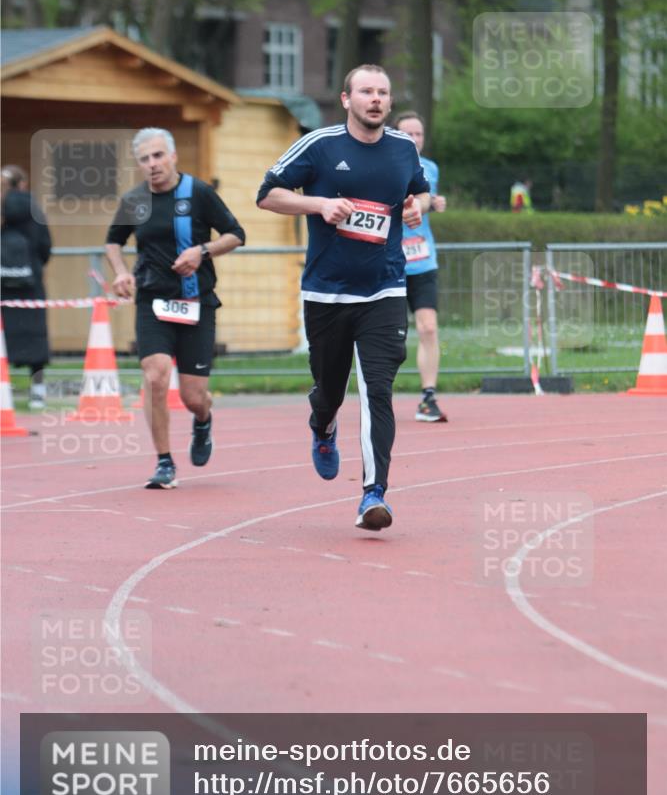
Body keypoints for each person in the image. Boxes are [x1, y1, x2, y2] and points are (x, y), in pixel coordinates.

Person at [257, 64, 430, 531]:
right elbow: (267, 195)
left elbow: (418, 194)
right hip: (327, 293)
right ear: (346, 99)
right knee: (329, 390)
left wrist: (415, 209)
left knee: (379, 388)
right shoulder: (319, 145)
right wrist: (319, 205)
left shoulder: (402, 150)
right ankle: (322, 426)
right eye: (366, 91)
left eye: (383, 92)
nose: (375, 99)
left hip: (385, 288)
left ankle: (374, 494)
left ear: (390, 103)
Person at [105, 128, 245, 489]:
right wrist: (121, 274)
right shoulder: (134, 200)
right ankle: (164, 462)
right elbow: (113, 242)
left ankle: (203, 418)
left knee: (191, 396)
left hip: (197, 303)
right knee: (155, 376)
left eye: (157, 156)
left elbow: (235, 234)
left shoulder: (197, 193)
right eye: (144, 159)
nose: (152, 165)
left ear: (172, 156)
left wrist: (202, 251)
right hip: (153, 301)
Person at [393, 111, 448, 423]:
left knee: (428, 327)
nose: (414, 140)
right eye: (408, 134)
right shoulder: (383, 164)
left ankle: (428, 396)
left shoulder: (430, 168)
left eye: (419, 134)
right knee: (391, 336)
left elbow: (426, 199)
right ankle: (377, 394)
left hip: (423, 259)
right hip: (390, 262)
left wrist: (434, 203)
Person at [0, 164, 52, 409]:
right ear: (23, 184)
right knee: (35, 337)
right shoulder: (35, 210)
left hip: (2, 287)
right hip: (30, 285)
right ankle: (38, 391)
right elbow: (45, 246)